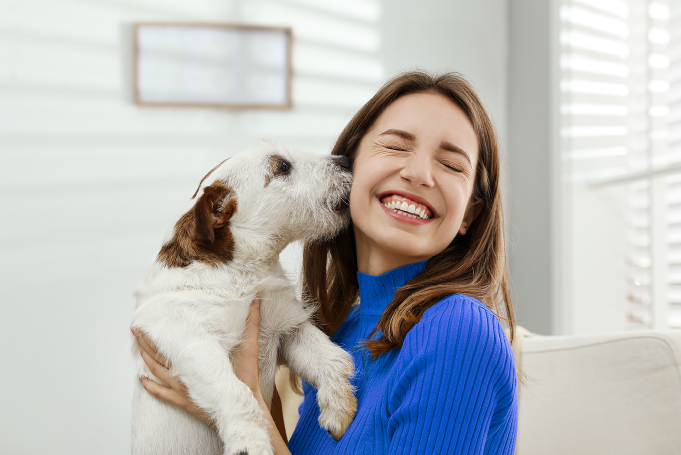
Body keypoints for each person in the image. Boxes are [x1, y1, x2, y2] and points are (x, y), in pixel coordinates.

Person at [134, 71, 518, 454]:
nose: (418, 174)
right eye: (396, 146)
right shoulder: (345, 330)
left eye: (452, 165)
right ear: (350, 164)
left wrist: (247, 403)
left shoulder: (459, 330)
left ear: (470, 213)